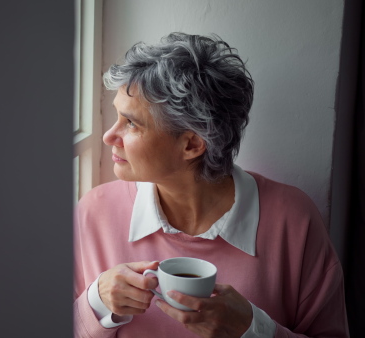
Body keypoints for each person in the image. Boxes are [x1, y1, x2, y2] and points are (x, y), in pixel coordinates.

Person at [73, 32, 349, 337]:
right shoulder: (93, 213)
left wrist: (253, 330)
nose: (108, 136)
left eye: (131, 123)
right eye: (116, 117)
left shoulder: (294, 221)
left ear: (191, 144)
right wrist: (96, 302)